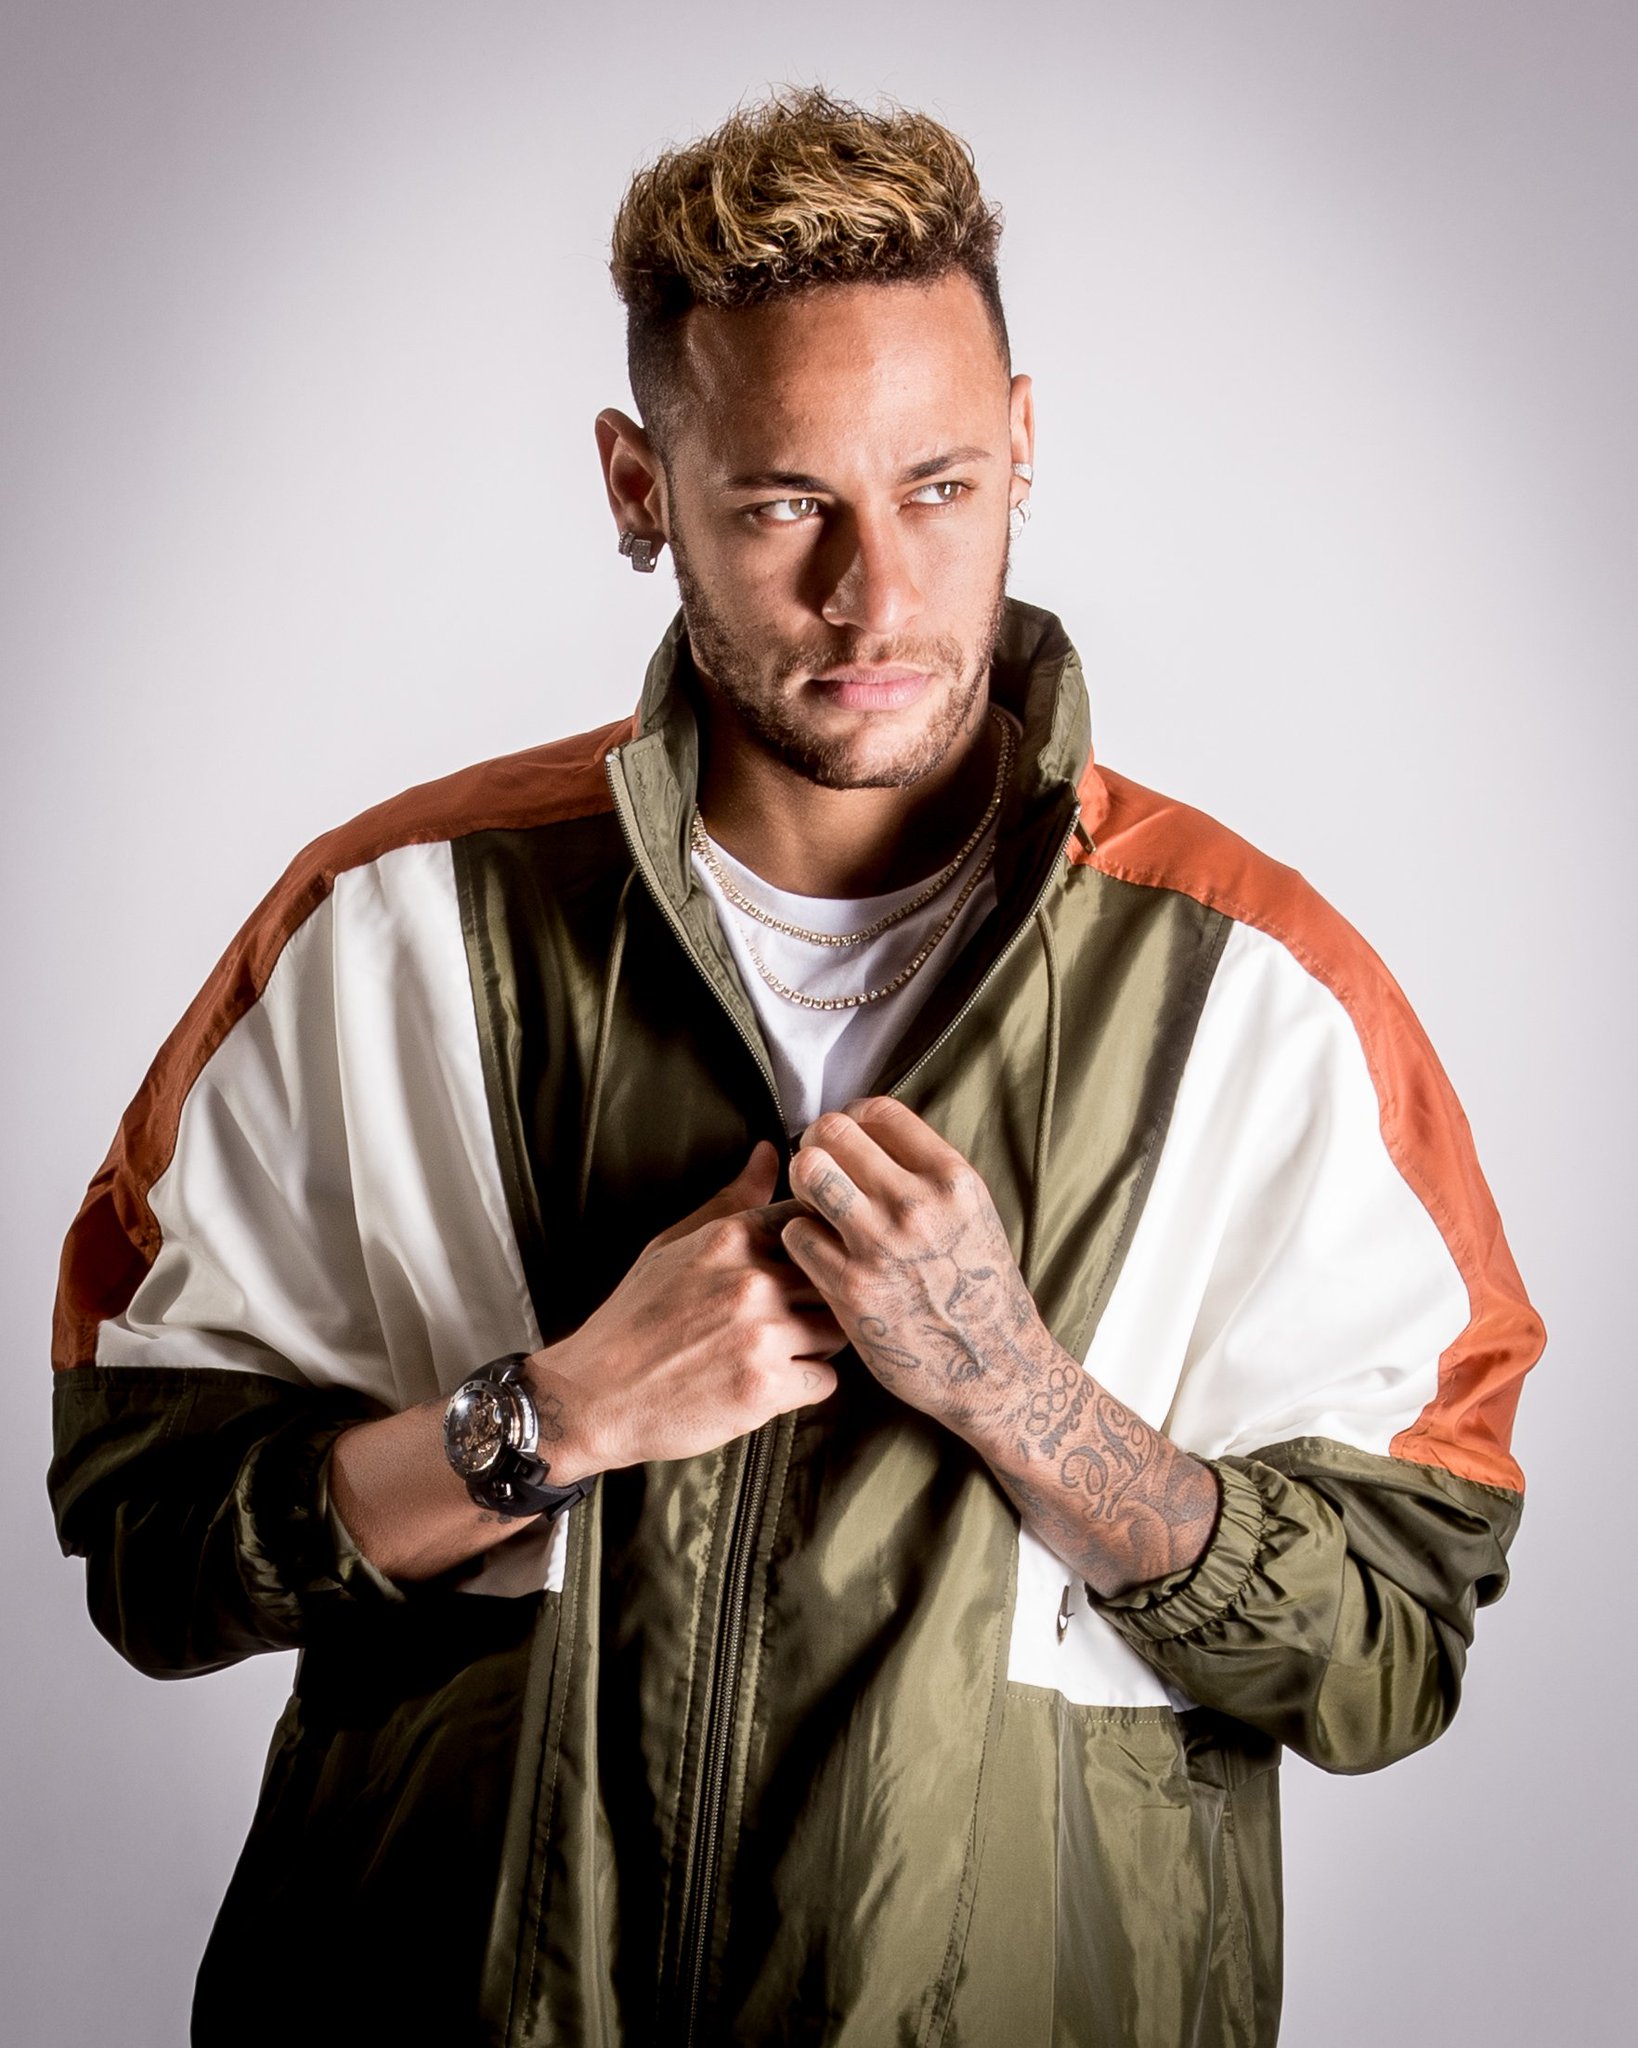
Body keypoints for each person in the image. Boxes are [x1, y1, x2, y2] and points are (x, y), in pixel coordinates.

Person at [48, 88, 1543, 2048]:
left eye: (938, 487)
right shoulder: (379, 932)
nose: (875, 595)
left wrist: (1024, 1398)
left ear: (1024, 444)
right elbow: (150, 1547)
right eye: (780, 505)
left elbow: (1390, 1650)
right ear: (638, 484)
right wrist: (550, 1415)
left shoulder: (1263, 997)